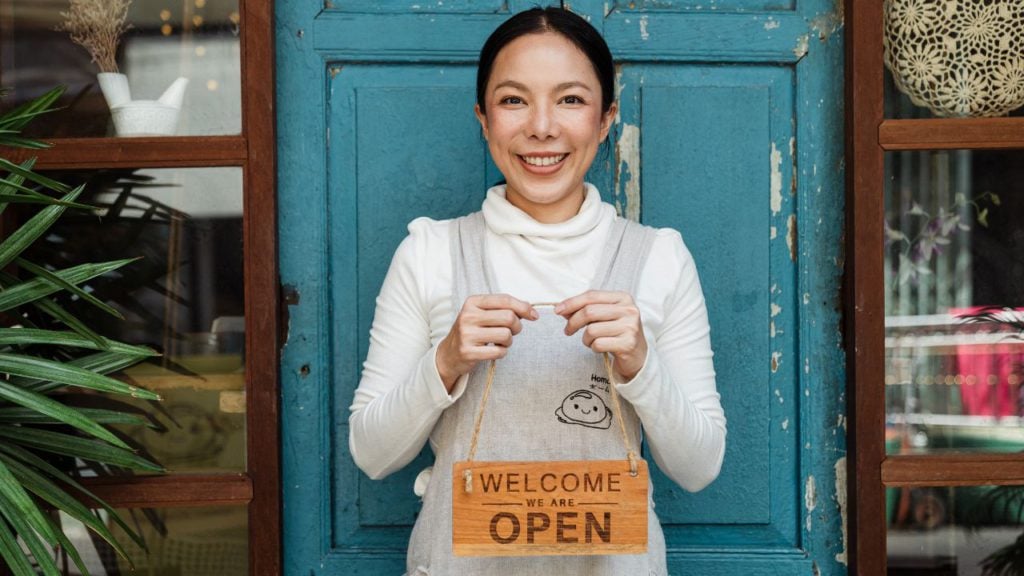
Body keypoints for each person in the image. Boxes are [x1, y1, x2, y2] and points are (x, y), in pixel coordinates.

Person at [348, 7, 726, 575]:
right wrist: (445, 360)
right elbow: (372, 455)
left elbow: (699, 467)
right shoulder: (429, 253)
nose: (542, 127)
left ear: (606, 119)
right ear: (483, 117)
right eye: (513, 100)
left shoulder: (659, 258)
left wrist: (641, 363)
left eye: (571, 100)